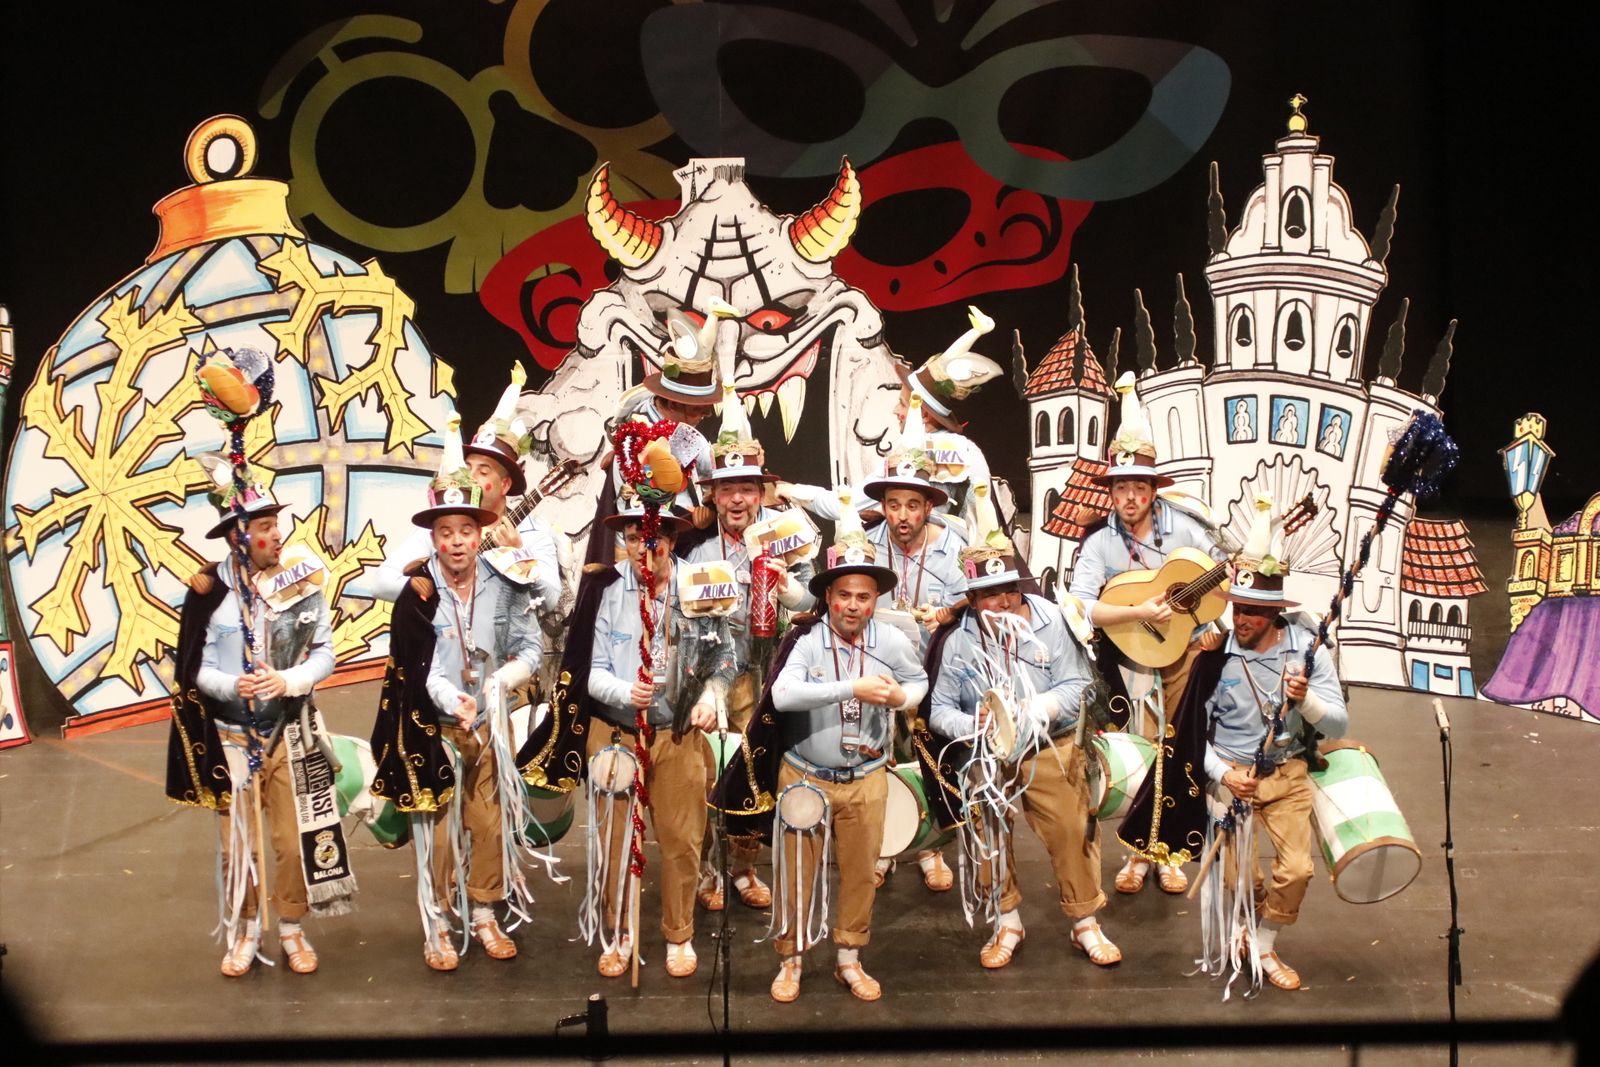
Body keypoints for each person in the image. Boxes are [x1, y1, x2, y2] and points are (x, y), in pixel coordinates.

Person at [731, 508, 929, 1003]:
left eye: (863, 597)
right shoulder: (806, 639)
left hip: (866, 776)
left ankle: (849, 959)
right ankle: (791, 959)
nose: (853, 606)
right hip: (806, 776)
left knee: (862, 871)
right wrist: (852, 687)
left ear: (875, 599)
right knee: (796, 874)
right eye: (844, 595)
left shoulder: (891, 639)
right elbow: (782, 696)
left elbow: (919, 681)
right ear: (828, 596)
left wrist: (900, 699)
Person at [369, 416, 544, 970]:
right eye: (445, 533)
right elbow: (414, 669)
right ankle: (437, 924)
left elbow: (530, 648)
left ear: (479, 530)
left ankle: (487, 914)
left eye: (465, 531)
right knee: (439, 834)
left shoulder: (506, 578)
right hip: (435, 728)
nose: (457, 542)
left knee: (489, 823)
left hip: (489, 720)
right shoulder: (417, 592)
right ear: (435, 538)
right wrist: (452, 700)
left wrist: (498, 684)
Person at [165, 471, 344, 978]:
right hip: (229, 736)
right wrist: (229, 686)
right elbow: (192, 667)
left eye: (276, 523)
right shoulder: (207, 591)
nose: (277, 534)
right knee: (236, 846)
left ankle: (291, 928)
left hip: (289, 729)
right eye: (265, 525)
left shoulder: (301, 582)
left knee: (292, 840)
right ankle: (245, 929)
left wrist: (288, 680)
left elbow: (327, 654)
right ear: (236, 536)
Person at [926, 534, 1119, 969]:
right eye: (991, 594)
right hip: (987, 752)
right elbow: (939, 710)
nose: (1004, 601)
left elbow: (1080, 685)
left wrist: (1038, 709)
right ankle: (1006, 919)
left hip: (1051, 743)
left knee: (1073, 829)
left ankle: (1085, 921)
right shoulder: (958, 641)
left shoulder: (1054, 621)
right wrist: (969, 725)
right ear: (972, 599)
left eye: (1010, 589)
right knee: (987, 836)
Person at [1067, 386, 1227, 896]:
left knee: (1177, 749)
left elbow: (1219, 581)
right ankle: (1136, 854)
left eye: (1139, 486)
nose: (1130, 497)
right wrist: (1137, 610)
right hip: (1127, 660)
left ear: (1153, 489)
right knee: (1136, 753)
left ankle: (1169, 852)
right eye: (1121, 488)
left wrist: (1210, 626)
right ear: (1110, 493)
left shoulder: (1186, 529)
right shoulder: (1099, 542)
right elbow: (1081, 604)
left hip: (1182, 655)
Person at [581, 492, 735, 979]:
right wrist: (628, 692)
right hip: (618, 734)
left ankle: (679, 933)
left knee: (681, 841)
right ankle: (621, 933)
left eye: (654, 539)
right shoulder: (605, 592)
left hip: (678, 732)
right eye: (632, 539)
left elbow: (723, 658)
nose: (643, 549)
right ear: (622, 542)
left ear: (671, 539)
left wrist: (712, 696)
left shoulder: (700, 586)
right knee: (616, 841)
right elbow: (591, 671)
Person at [681, 388, 812, 912]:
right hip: (714, 673)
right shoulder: (693, 549)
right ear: (712, 496)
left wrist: (785, 588)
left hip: (774, 671)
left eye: (748, 489)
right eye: (727, 488)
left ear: (762, 495)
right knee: (712, 770)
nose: (738, 499)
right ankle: (707, 868)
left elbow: (810, 602)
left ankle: (743, 867)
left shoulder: (787, 538)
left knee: (760, 765)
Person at [1200, 553, 1346, 991]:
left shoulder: (1307, 653)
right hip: (1232, 776)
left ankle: (1262, 941)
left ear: (1272, 613)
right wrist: (1224, 775)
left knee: (1298, 869)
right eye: (1236, 608)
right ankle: (1247, 920)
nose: (1239, 618)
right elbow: (1191, 733)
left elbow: (1338, 723)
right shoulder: (1213, 656)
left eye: (1250, 611)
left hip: (1286, 772)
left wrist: (1306, 701)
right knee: (1240, 879)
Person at [372, 365, 562, 614]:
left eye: (483, 472)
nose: (470, 478)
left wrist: (520, 555)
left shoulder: (534, 531)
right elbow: (381, 583)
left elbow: (550, 601)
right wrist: (437, 592)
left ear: (505, 484)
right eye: (468, 468)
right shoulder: (443, 526)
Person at [890, 305, 1006, 540]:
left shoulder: (956, 451)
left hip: (948, 560)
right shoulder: (909, 451)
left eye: (902, 403)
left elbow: (980, 517)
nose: (895, 410)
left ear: (922, 414)